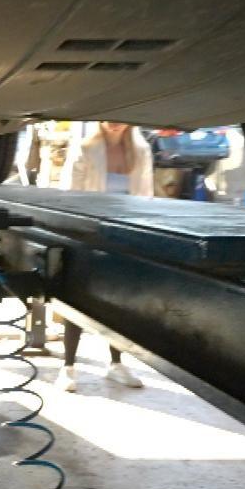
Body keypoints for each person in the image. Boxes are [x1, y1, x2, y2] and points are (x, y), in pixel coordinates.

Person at [53, 121, 153, 392]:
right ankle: (68, 367)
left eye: (121, 119)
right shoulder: (86, 148)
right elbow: (69, 195)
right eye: (110, 119)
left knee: (118, 303)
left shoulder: (141, 150)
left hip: (123, 236)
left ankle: (116, 364)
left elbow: (146, 196)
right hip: (88, 233)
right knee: (78, 300)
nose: (115, 124)